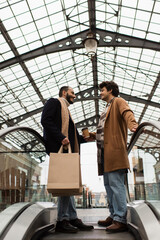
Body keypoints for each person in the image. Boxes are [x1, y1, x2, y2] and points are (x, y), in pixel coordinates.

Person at [41, 86, 93, 233]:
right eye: (72, 93)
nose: (75, 96)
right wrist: (61, 137)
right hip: (59, 149)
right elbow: (45, 120)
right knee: (64, 184)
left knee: (68, 184)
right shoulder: (54, 102)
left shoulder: (67, 112)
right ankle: (63, 219)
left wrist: (84, 139)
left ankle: (71, 217)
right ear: (64, 93)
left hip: (66, 150)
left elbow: (73, 136)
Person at [87, 81, 138, 233]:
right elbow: (105, 131)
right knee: (109, 187)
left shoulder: (118, 101)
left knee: (116, 186)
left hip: (114, 152)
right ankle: (113, 215)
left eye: (102, 90)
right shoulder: (107, 107)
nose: (100, 93)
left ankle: (120, 219)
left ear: (110, 90)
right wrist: (91, 135)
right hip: (104, 154)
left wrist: (133, 124)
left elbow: (127, 113)